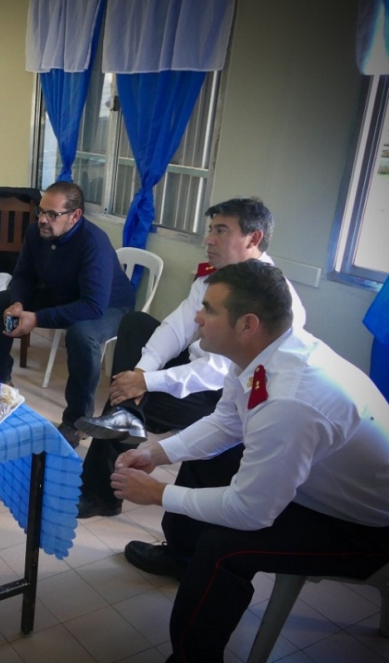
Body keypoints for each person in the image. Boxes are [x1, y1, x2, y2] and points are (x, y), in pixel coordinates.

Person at [110, 260, 389, 662]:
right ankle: (179, 557)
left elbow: (251, 510)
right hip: (328, 485)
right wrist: (156, 452)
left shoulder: (291, 397)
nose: (197, 318)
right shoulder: (263, 356)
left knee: (224, 545)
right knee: (211, 461)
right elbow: (226, 423)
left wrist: (159, 495)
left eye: (209, 309)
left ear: (247, 324)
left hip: (366, 527)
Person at [74, 198, 307, 519]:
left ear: (253, 239)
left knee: (130, 404)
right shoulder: (216, 278)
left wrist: (146, 382)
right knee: (137, 325)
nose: (209, 240)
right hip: (199, 371)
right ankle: (127, 413)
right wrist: (141, 372)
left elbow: (219, 371)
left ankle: (107, 476)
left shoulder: (271, 296)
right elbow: (177, 327)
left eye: (221, 231)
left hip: (227, 393)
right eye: (210, 230)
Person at [0, 181, 134, 447]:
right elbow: (24, 276)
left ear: (75, 216)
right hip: (62, 293)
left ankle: (76, 421)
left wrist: (37, 319)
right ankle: (0, 384)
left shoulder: (93, 243)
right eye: (41, 211)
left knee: (81, 334)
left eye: (52, 214)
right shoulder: (35, 233)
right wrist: (18, 302)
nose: (43, 219)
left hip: (109, 306)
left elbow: (93, 307)